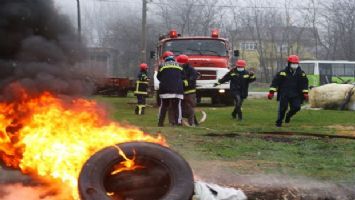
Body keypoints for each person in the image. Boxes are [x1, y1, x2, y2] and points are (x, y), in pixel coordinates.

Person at [267, 55, 309, 127]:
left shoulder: (301, 73)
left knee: (297, 107)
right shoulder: (282, 73)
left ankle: (289, 115)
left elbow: (305, 83)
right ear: (289, 63)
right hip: (285, 94)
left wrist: (305, 93)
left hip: (296, 94)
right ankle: (279, 122)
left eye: (296, 63)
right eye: (293, 63)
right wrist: (271, 92)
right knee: (282, 109)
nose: (294, 65)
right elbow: (275, 82)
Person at [157, 51, 185, 127]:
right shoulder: (179, 65)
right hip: (177, 90)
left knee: (163, 106)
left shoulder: (162, 65)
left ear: (165, 58)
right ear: (173, 57)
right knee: (177, 106)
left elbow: (158, 77)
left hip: (165, 90)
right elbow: (183, 76)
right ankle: (178, 122)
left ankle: (160, 123)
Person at [176, 54, 199, 126]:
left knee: (190, 107)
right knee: (182, 108)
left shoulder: (191, 70)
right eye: (179, 63)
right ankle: (184, 122)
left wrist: (184, 82)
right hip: (181, 92)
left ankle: (191, 123)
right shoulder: (179, 69)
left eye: (181, 63)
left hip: (190, 92)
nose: (179, 64)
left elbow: (191, 80)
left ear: (185, 62)